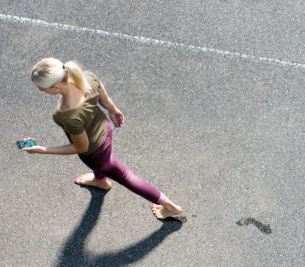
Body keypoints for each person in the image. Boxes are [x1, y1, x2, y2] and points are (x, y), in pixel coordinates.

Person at [23, 58, 184, 221]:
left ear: (55, 86)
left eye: (42, 89)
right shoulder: (87, 78)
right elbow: (105, 101)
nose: (41, 91)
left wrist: (42, 150)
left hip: (94, 151)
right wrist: (114, 111)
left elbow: (81, 147)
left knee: (127, 177)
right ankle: (100, 180)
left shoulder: (66, 114)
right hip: (105, 130)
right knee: (105, 165)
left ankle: (170, 206)